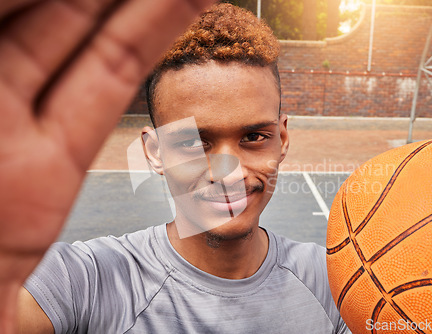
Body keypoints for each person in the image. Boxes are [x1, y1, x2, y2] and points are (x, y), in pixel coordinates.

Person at [3, 2, 351, 333]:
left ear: (283, 139)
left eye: (254, 136)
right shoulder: (89, 281)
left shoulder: (338, 281)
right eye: (194, 142)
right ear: (154, 152)